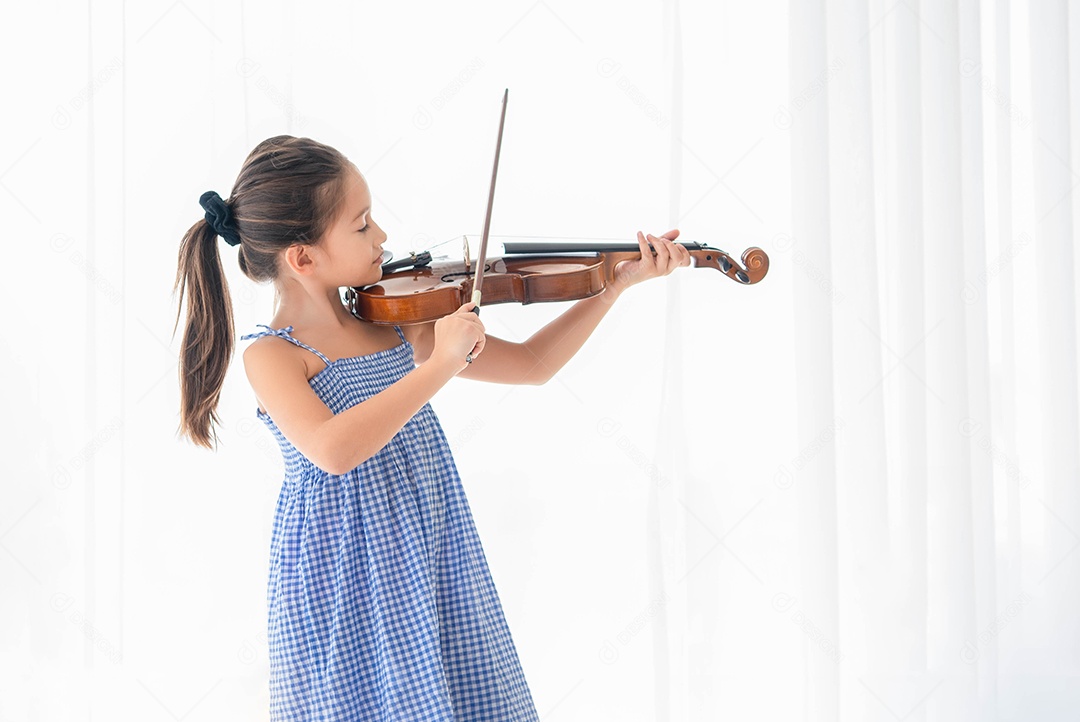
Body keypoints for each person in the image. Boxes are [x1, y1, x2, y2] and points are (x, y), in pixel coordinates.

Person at [172, 134, 689, 720]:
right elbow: (333, 450)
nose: (384, 238)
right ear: (304, 257)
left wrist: (612, 287)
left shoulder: (395, 322)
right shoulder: (273, 355)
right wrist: (443, 362)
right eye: (362, 225)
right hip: (341, 573)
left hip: (428, 550)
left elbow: (532, 367)